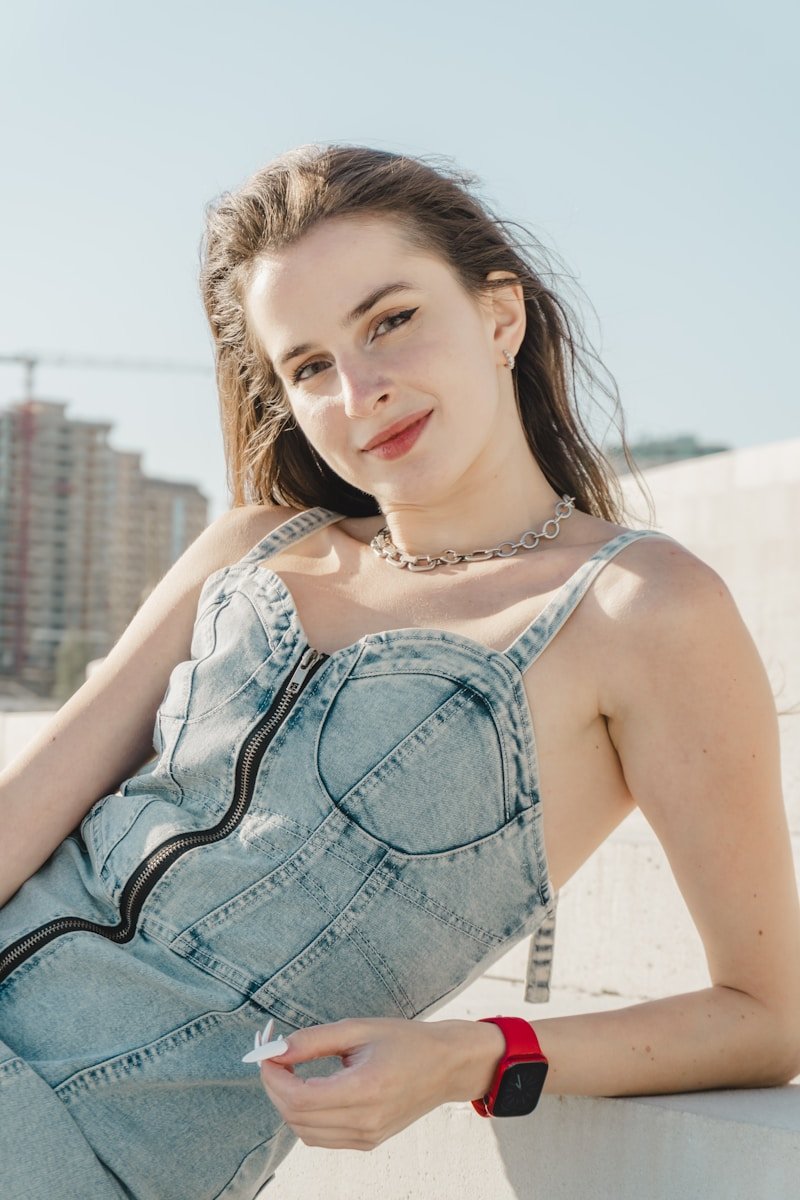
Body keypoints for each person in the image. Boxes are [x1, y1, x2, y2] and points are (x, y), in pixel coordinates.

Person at [1, 144, 798, 1200]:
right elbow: (30, 805)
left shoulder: (639, 610)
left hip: (86, 1151)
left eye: (390, 321)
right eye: (308, 366)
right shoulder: (250, 545)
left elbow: (765, 1016)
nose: (359, 392)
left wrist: (470, 1056)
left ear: (500, 316)